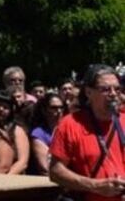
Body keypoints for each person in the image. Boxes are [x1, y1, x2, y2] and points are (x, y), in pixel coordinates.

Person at [50, 65, 125, 201]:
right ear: (89, 92)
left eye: (117, 89)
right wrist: (94, 185)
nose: (114, 94)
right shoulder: (70, 124)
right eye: (106, 89)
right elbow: (55, 172)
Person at [0, 90, 30, 175]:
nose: (1, 109)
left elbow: (22, 162)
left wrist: (5, 178)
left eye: (5, 107)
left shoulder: (16, 130)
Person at [29, 92, 65, 175]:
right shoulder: (38, 133)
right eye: (54, 108)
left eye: (61, 107)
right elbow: (46, 166)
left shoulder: (69, 129)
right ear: (44, 110)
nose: (59, 111)